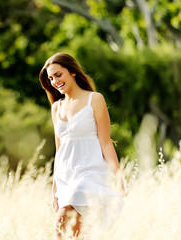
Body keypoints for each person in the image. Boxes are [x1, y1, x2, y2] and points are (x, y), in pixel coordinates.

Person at [39, 53, 125, 239]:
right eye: (51, 78)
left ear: (72, 72)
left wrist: (118, 177)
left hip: (90, 174)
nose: (54, 81)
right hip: (66, 178)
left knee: (59, 228)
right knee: (75, 234)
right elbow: (59, 149)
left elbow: (106, 142)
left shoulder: (94, 99)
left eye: (58, 75)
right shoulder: (56, 107)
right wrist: (55, 189)